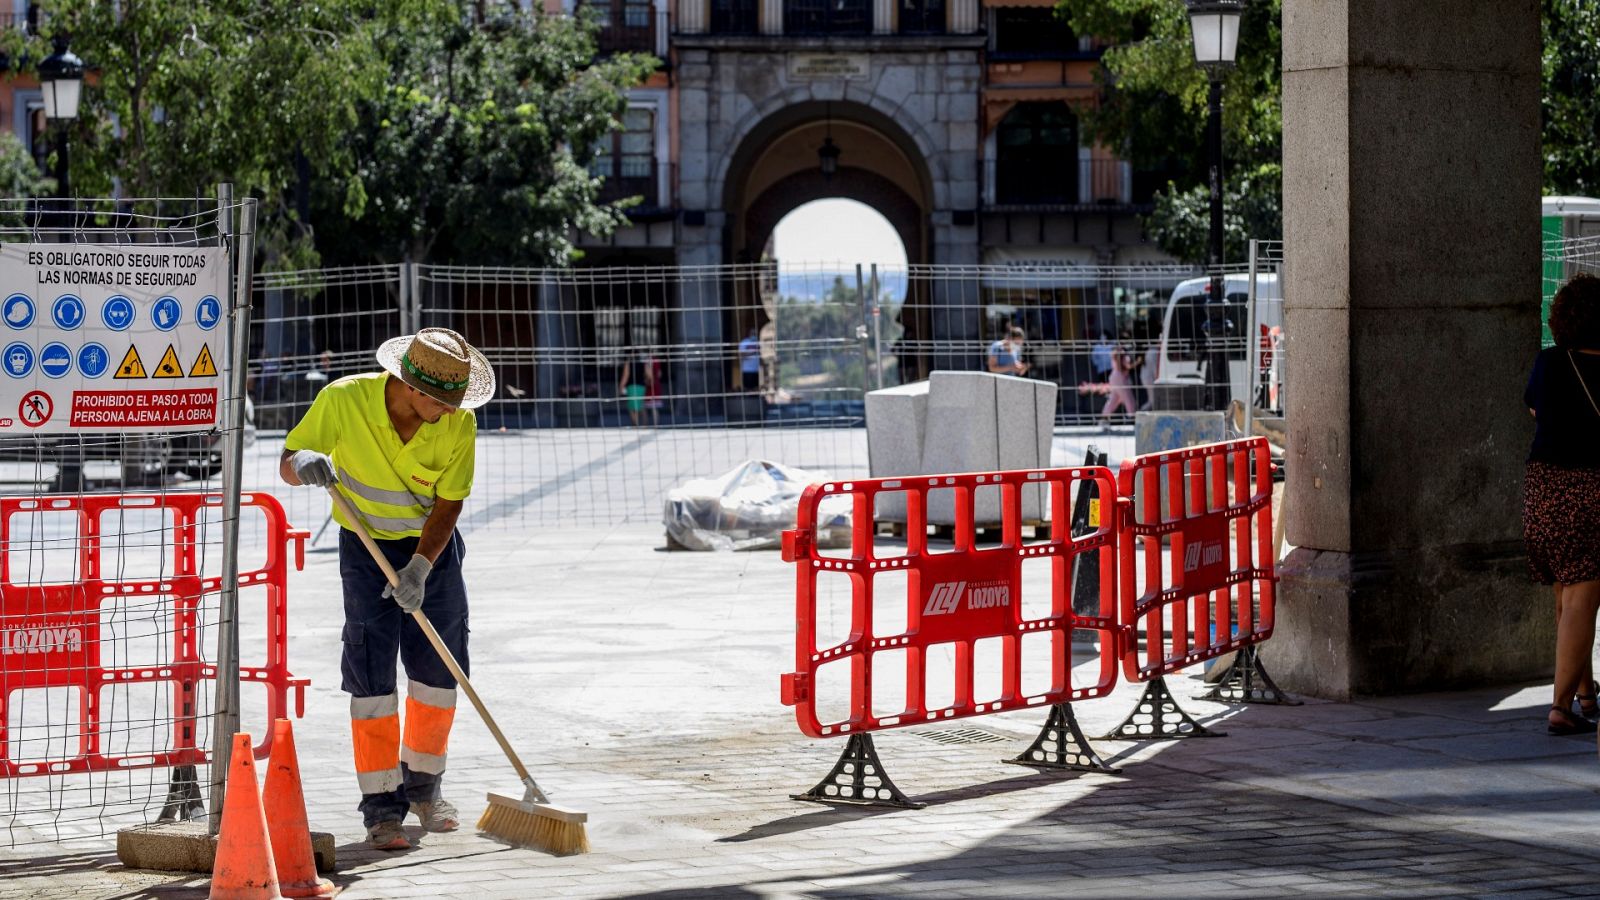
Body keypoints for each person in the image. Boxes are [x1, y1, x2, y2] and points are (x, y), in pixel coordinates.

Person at [279, 327, 494, 849]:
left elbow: (448, 505)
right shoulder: (344, 400)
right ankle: (381, 808)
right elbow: (288, 462)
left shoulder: (458, 423)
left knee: (439, 677)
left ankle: (424, 790)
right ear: (411, 386)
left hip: (430, 554)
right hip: (366, 549)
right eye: (440, 402)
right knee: (372, 676)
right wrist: (303, 464)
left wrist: (420, 568)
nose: (448, 412)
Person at [1524, 273, 1600, 737]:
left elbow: (1534, 409)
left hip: (1542, 485)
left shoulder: (1549, 362)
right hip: (1588, 486)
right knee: (1583, 596)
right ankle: (1559, 705)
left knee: (1567, 595)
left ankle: (1584, 692)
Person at [1098, 334, 1138, 429]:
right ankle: (1132, 418)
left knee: (1114, 400)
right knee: (1129, 398)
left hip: (1114, 377)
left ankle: (1104, 419)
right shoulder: (1121, 353)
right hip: (1120, 377)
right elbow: (1126, 366)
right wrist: (1137, 362)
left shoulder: (1115, 352)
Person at [738, 327, 761, 391]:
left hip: (756, 369)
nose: (754, 335)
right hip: (747, 369)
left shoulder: (758, 342)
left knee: (755, 387)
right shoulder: (744, 342)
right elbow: (741, 354)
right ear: (749, 334)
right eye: (753, 333)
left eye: (755, 333)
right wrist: (752, 353)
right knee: (747, 388)